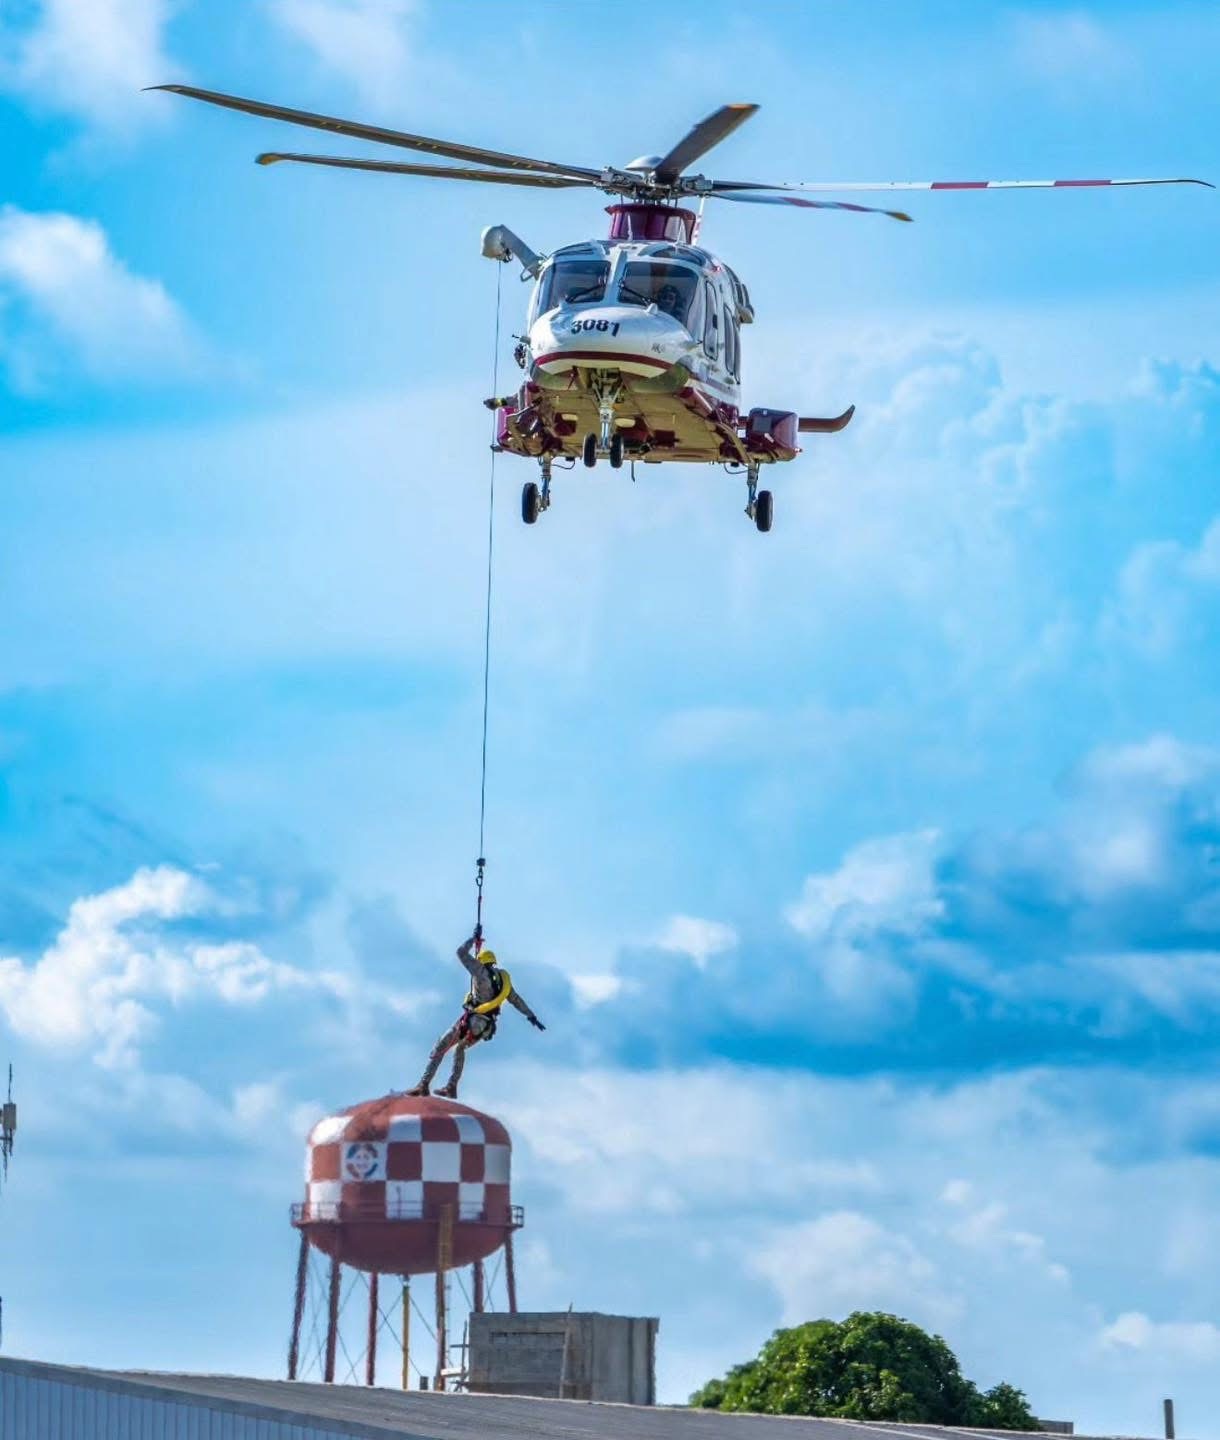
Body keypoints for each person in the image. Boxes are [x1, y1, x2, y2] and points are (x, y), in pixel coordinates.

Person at [408, 934, 545, 1099]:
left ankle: (423, 1085)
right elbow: (516, 1000)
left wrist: (473, 939)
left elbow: (461, 953)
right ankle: (451, 1087)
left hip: (473, 1019)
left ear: (481, 961)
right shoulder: (502, 980)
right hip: (485, 1027)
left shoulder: (479, 972)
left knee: (441, 1046)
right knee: (459, 1049)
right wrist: (531, 1016)